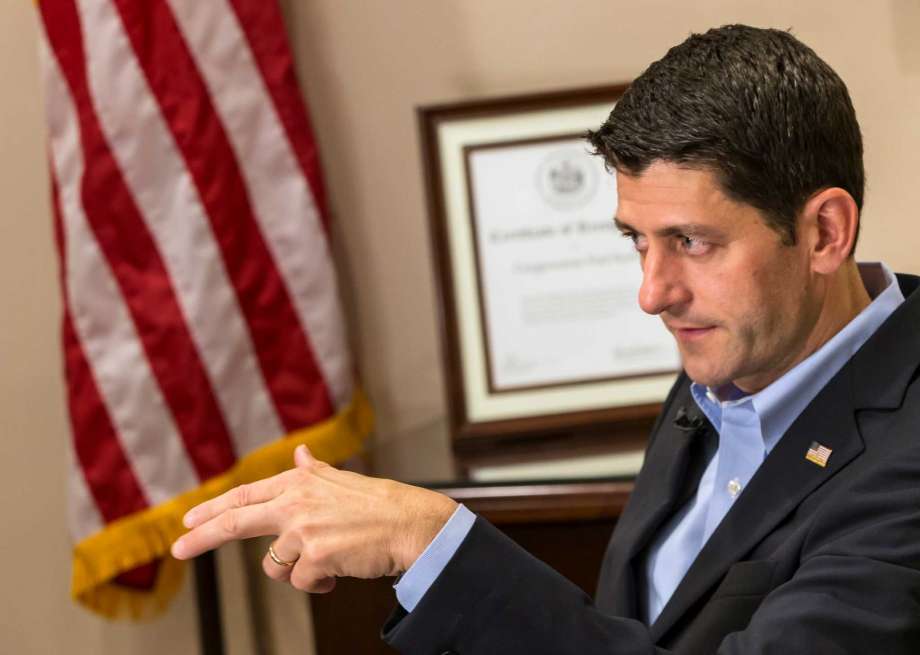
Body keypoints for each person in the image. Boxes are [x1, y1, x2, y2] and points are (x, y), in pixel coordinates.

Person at [171, 24, 920, 653]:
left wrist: (432, 540)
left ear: (824, 232)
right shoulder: (737, 353)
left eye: (692, 241)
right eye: (637, 240)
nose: (653, 293)